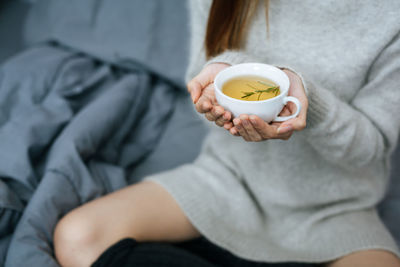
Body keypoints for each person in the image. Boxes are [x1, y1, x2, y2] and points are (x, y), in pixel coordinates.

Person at [53, 0, 400, 266]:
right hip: (227, 181)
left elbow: (372, 146)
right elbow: (201, 87)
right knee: (77, 237)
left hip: (335, 210)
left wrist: (312, 104)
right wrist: (224, 75)